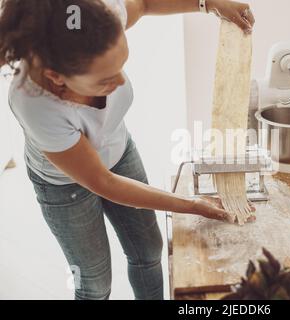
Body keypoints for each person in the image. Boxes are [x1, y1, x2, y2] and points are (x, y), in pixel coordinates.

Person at [0, 0, 255, 300]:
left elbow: (145, 3)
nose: (121, 81)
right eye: (107, 78)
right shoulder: (33, 103)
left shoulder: (97, 20)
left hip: (118, 152)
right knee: (94, 283)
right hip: (63, 185)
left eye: (122, 66)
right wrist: (191, 204)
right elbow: (102, 182)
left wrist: (208, 3)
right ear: (57, 78)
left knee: (149, 251)